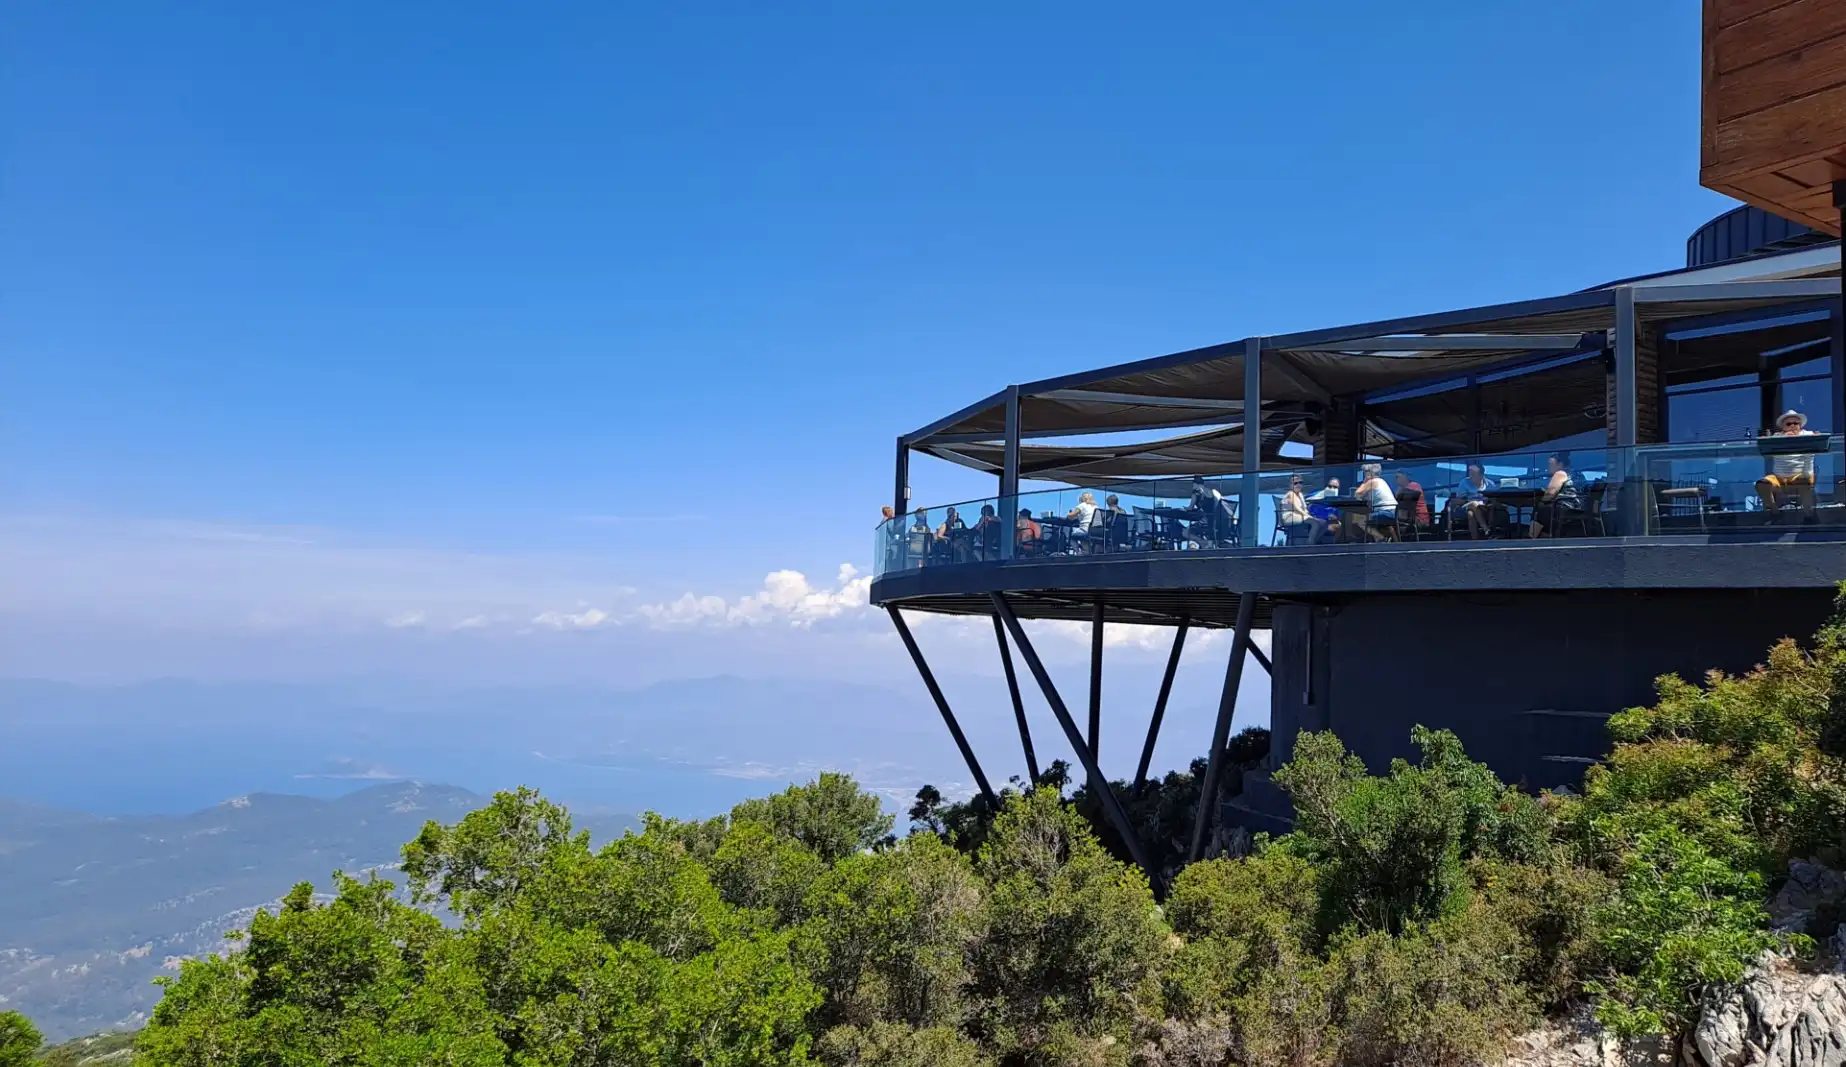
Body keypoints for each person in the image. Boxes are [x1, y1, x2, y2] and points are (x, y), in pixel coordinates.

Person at [1757, 408, 1819, 520]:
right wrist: (1784, 437)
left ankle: (1809, 515)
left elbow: (1819, 439)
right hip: (1779, 477)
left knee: (1804, 482)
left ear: (1800, 425)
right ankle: (1774, 512)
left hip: (1800, 475)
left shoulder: (1808, 434)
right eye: (1789, 423)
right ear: (1783, 426)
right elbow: (1765, 444)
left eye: (1796, 423)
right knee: (1761, 484)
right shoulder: (1777, 436)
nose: (1793, 426)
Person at [1530, 454, 1582, 538]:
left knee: (1538, 509)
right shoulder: (1574, 474)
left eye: (1551, 464)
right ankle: (1544, 534)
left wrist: (1542, 500)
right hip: (1576, 506)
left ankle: (1533, 536)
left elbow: (1550, 494)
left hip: (1565, 506)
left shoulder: (1560, 473)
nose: (1548, 467)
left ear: (1560, 464)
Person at [1279, 474, 1327, 545]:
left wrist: (1311, 515)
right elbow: (1297, 508)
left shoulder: (1300, 494)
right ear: (1290, 485)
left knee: (1324, 523)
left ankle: (1314, 541)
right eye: (1295, 483)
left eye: (1300, 482)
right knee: (1315, 523)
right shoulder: (1290, 494)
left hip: (1300, 516)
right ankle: (1310, 543)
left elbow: (1304, 508)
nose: (1298, 485)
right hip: (1289, 517)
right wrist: (1310, 517)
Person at [1355, 463, 1398, 541]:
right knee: (1372, 520)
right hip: (1394, 512)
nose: (1364, 475)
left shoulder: (1372, 482)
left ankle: (1382, 538)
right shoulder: (1382, 481)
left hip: (1386, 513)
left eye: (1365, 473)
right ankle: (1380, 542)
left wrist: (1365, 482)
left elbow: (1357, 493)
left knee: (1361, 521)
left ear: (1369, 473)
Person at [1450, 462, 1493, 539]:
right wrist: (1470, 500)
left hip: (1485, 507)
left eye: (1473, 474)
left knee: (1470, 514)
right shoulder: (1464, 482)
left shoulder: (1489, 484)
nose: (1470, 476)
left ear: (1481, 475)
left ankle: (1475, 540)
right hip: (1465, 505)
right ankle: (1486, 529)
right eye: (1470, 473)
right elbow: (1459, 499)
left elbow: (1493, 497)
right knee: (1473, 504)